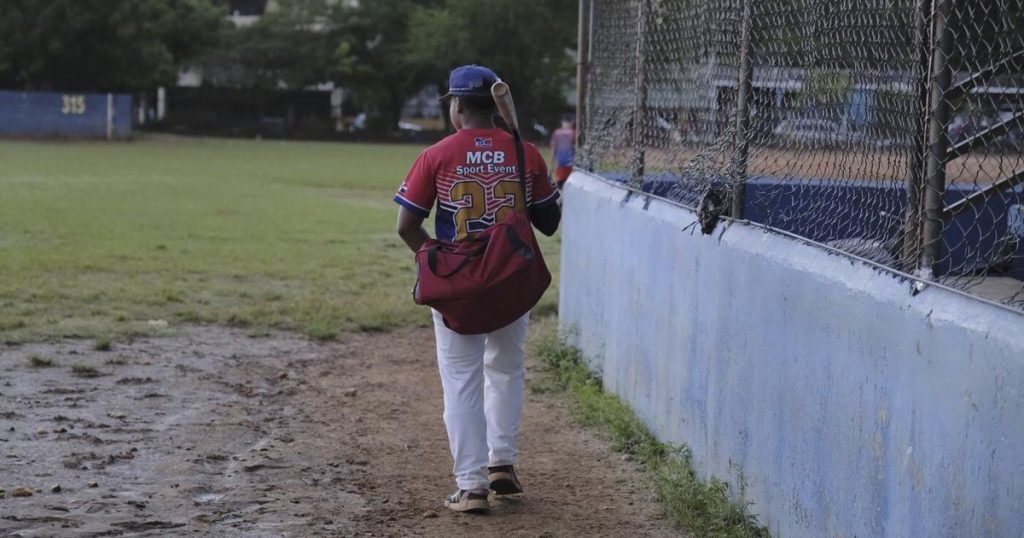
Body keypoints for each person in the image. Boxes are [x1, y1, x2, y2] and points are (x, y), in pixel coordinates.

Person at [394, 65, 561, 513]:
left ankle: (471, 487)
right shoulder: (525, 152)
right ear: (495, 105)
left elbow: (406, 224)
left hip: (460, 281)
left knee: (462, 381)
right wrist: (523, 159)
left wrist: (434, 259)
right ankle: (502, 462)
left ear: (459, 106)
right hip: (511, 279)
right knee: (505, 369)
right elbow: (548, 224)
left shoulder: (438, 154)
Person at [549, 112, 576, 189]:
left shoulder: (557, 132)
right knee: (568, 183)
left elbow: (553, 148)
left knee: (561, 183)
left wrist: (551, 164)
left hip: (564, 163)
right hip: (567, 163)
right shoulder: (573, 132)